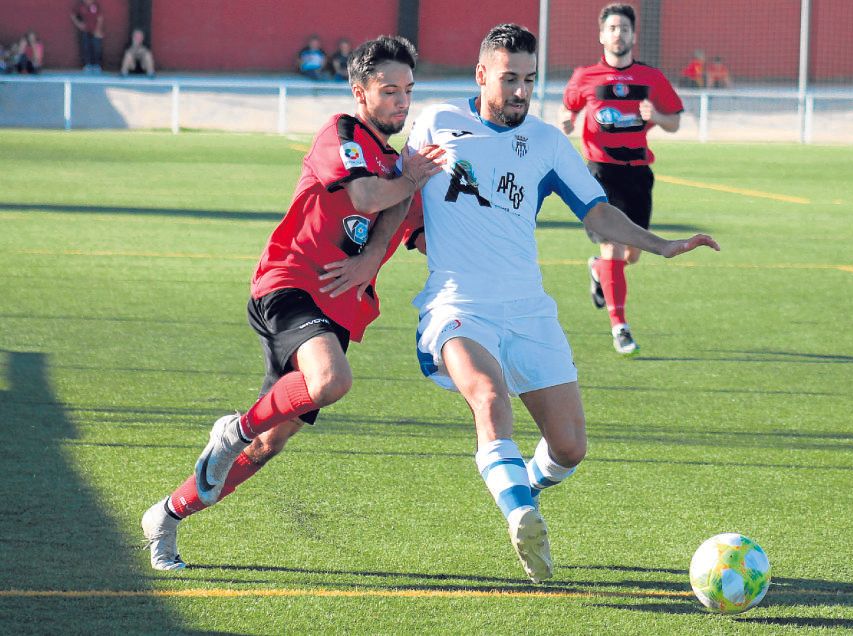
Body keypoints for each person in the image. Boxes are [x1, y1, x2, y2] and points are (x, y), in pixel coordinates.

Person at [404, 23, 718, 583]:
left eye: (529, 79)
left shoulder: (547, 142)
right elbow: (402, 195)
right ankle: (520, 514)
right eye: (509, 80)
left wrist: (661, 244)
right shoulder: (436, 121)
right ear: (481, 76)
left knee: (570, 447)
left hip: (528, 310)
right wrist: (370, 258)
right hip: (458, 304)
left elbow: (595, 213)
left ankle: (525, 485)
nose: (521, 91)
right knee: (489, 394)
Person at [140, 35, 445, 571]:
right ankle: (232, 428)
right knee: (332, 381)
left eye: (409, 91)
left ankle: (166, 516)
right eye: (390, 90)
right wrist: (410, 179)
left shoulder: (402, 169)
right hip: (289, 284)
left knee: (267, 446)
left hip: (336, 311)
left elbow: (417, 230)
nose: (402, 101)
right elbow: (368, 196)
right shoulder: (343, 133)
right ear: (360, 91)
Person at [560, 4, 687, 355]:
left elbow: (675, 122)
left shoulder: (651, 77)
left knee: (631, 254)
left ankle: (600, 272)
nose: (619, 34)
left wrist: (657, 116)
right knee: (612, 246)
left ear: (633, 35)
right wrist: (567, 121)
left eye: (625, 28)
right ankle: (620, 327)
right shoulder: (585, 76)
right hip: (600, 173)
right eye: (612, 28)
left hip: (638, 176)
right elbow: (567, 108)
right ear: (602, 35)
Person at [70, 0, 103, 73]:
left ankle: (97, 65)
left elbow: (100, 18)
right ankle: (88, 65)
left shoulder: (95, 5)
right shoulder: (80, 5)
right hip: (85, 31)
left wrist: (98, 30)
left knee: (97, 48)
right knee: (86, 47)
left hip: (95, 31)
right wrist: (79, 24)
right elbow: (73, 15)